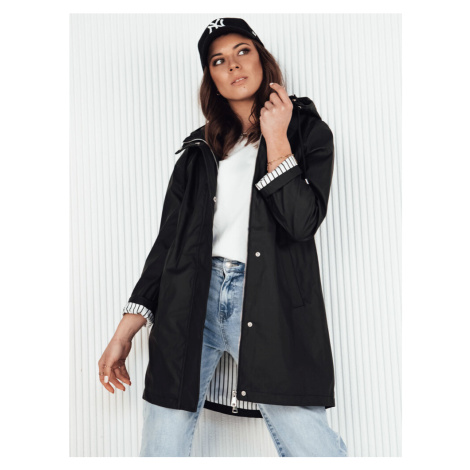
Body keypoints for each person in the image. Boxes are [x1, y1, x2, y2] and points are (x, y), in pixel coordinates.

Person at [98, 17, 348, 457]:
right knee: (162, 442)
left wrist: (276, 138)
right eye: (218, 60)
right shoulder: (198, 151)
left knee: (310, 444)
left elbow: (302, 222)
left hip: (267, 297)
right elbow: (169, 244)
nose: (233, 65)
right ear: (210, 78)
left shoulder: (306, 132)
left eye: (242, 52)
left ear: (261, 58)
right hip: (190, 297)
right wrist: (127, 327)